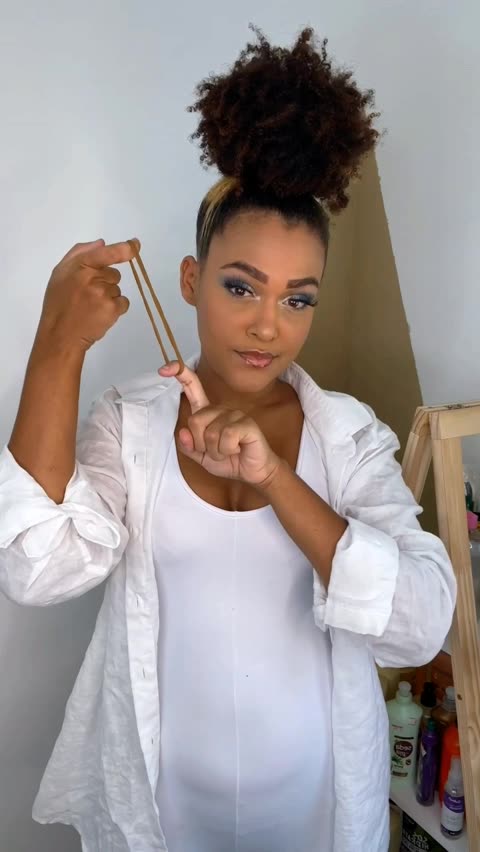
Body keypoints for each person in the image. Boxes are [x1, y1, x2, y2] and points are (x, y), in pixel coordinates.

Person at [0, 27, 455, 852]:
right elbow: (39, 568)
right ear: (190, 279)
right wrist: (57, 347)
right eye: (242, 286)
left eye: (298, 298)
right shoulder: (129, 423)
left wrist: (277, 477)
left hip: (315, 804)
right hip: (166, 804)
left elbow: (420, 622)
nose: (267, 325)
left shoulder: (348, 435)